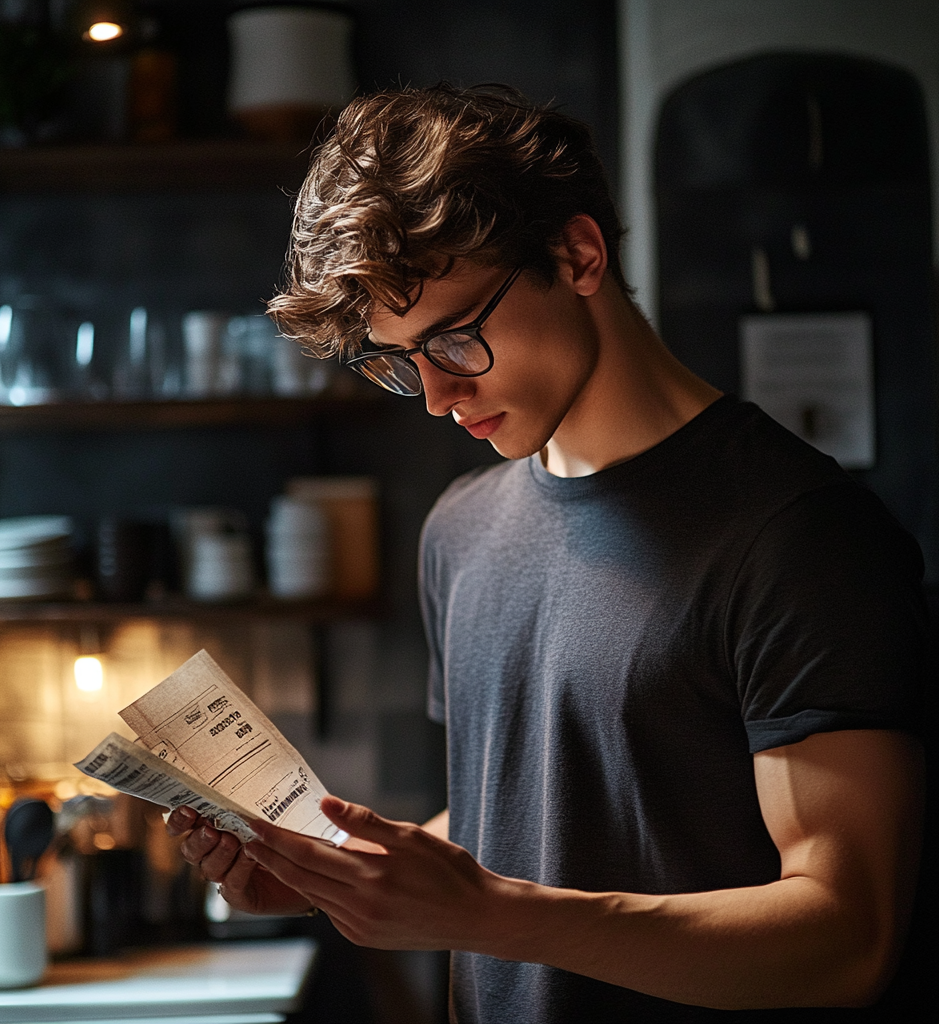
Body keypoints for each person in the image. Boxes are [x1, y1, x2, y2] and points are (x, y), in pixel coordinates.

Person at [166, 84, 928, 1022]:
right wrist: (337, 878)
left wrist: (493, 917)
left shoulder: (799, 535)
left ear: (576, 255)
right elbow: (525, 819)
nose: (438, 396)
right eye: (399, 360)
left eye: (454, 336)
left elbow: (846, 940)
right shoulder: (461, 527)